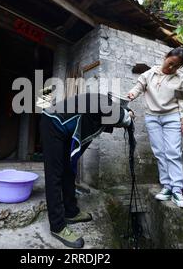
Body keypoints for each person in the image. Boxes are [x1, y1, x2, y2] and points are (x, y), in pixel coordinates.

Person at [40, 92, 134, 248]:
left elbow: (106, 120)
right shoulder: (100, 101)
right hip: (52, 124)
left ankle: (71, 212)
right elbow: (115, 114)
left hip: (63, 129)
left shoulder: (97, 110)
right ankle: (57, 226)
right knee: (54, 175)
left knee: (70, 169)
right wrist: (126, 115)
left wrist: (123, 118)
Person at [127, 47, 183, 209]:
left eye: (176, 66)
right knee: (159, 152)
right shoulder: (150, 74)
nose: (171, 68)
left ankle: (177, 189)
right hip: (152, 117)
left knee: (173, 152)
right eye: (170, 63)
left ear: (180, 67)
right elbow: (138, 88)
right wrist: (131, 95)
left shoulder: (181, 79)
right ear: (166, 57)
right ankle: (167, 187)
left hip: (172, 117)